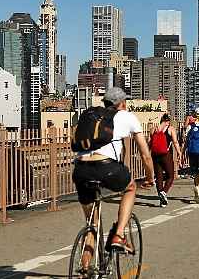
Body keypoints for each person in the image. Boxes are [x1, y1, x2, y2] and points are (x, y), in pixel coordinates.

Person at [72, 87, 154, 269]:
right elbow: (145, 154)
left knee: (92, 223)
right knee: (130, 187)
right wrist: (150, 178)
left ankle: (84, 268)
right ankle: (118, 234)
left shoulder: (92, 116)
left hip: (81, 169)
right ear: (122, 103)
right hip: (106, 167)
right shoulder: (127, 116)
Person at [149, 113, 182, 207]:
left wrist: (147, 154)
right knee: (170, 175)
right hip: (166, 154)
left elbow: (150, 143)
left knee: (158, 177)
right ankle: (164, 192)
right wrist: (179, 152)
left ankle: (161, 198)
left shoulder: (153, 129)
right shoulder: (170, 129)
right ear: (168, 121)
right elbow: (175, 142)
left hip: (155, 155)